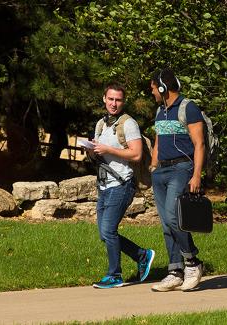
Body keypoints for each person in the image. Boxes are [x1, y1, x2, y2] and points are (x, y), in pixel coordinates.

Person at [89, 82, 155, 289]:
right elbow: (100, 155)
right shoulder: (101, 124)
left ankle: (114, 275)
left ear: (123, 102)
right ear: (104, 99)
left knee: (108, 230)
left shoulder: (128, 124)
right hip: (104, 185)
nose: (114, 103)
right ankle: (142, 255)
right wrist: (92, 150)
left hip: (123, 183)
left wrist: (108, 149)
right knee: (104, 234)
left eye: (118, 100)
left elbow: (136, 154)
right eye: (110, 99)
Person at [149, 68, 205, 292]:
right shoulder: (160, 111)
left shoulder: (188, 108)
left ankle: (192, 262)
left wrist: (197, 174)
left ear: (163, 88)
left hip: (182, 169)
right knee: (165, 223)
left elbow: (199, 144)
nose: (151, 92)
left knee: (174, 218)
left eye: (153, 88)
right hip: (161, 172)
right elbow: (158, 140)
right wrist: (153, 166)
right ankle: (175, 271)